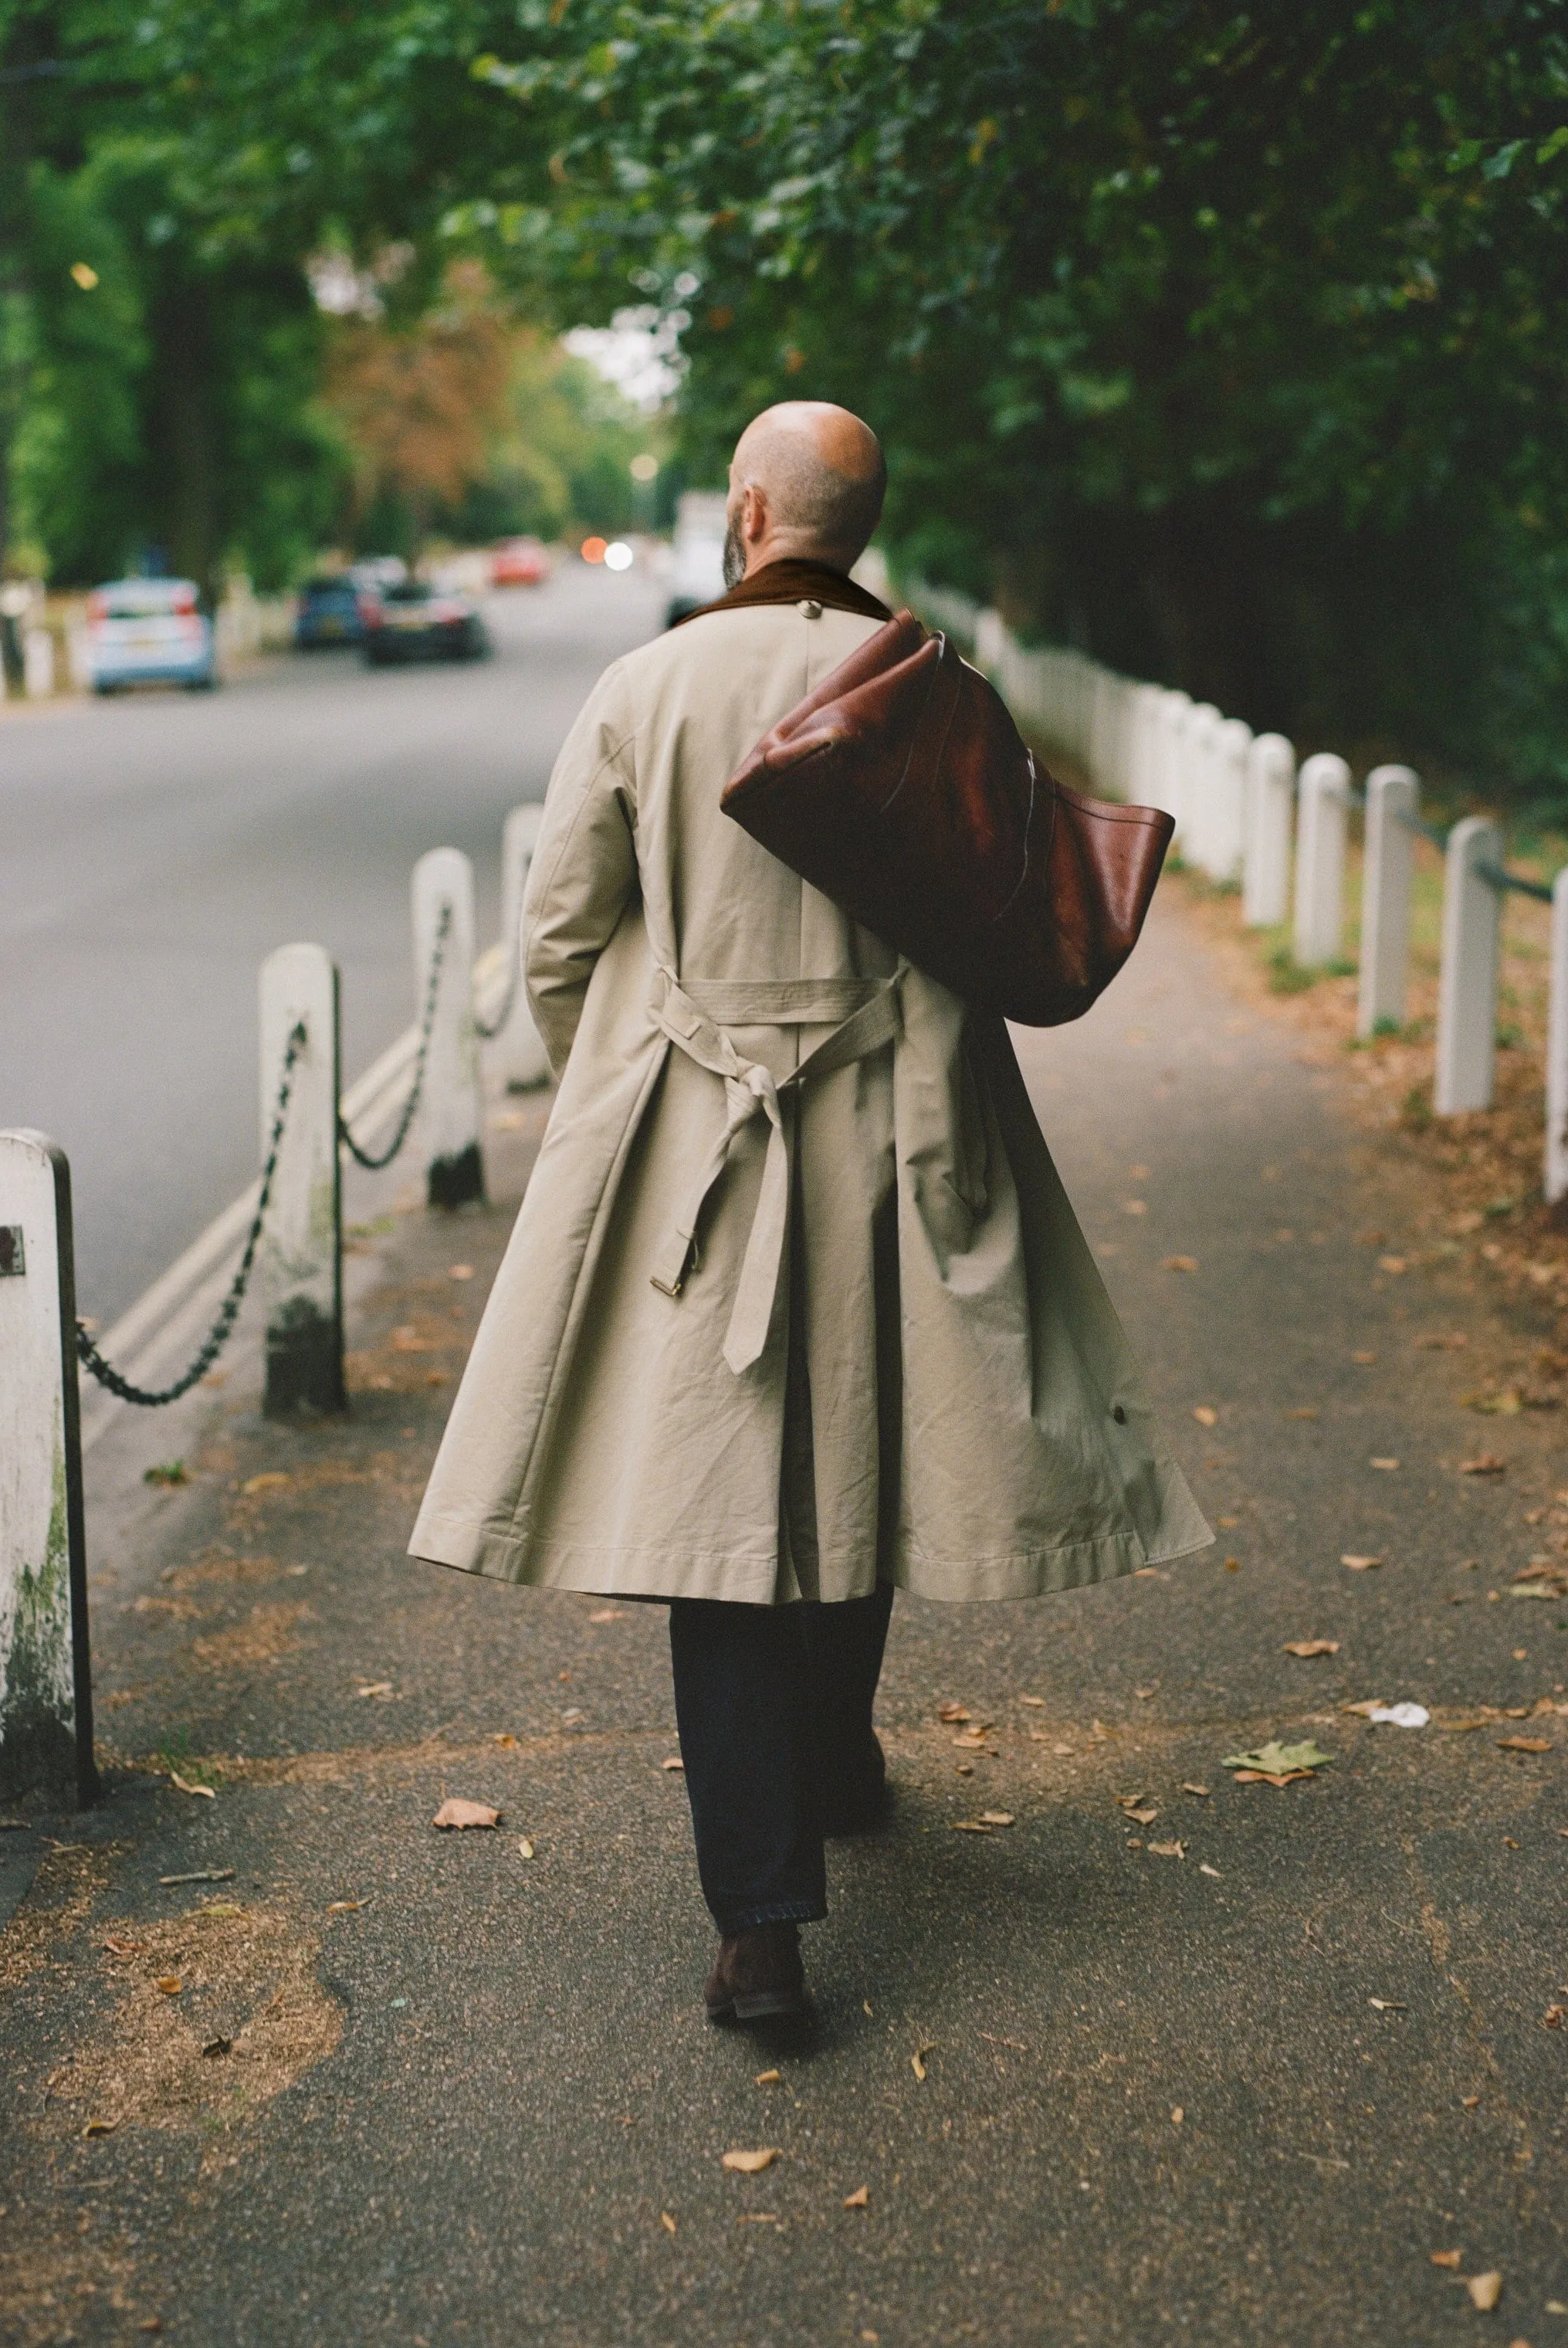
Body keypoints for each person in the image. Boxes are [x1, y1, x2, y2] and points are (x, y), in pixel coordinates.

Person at [409, 401, 1210, 2023]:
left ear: (748, 506)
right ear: (856, 522)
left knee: (718, 1531)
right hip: (898, 1143)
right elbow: (995, 923)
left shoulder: (646, 686)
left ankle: (758, 1926)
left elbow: (562, 935)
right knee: (863, 1454)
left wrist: (630, 1095)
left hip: (699, 1156)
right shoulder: (937, 693)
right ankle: (837, 1756)